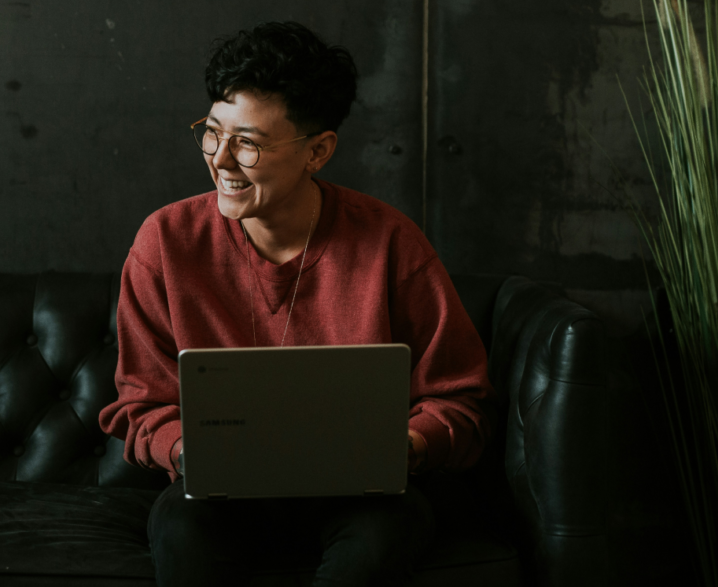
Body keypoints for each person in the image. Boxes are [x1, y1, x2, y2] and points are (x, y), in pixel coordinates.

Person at [98, 21, 496, 587]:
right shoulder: (164, 242)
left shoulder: (390, 244)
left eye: (249, 143)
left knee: (380, 540)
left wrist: (403, 446)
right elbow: (141, 405)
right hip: (218, 497)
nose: (222, 161)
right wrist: (189, 451)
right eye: (212, 133)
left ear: (318, 151)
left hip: (360, 496)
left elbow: (461, 401)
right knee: (183, 535)